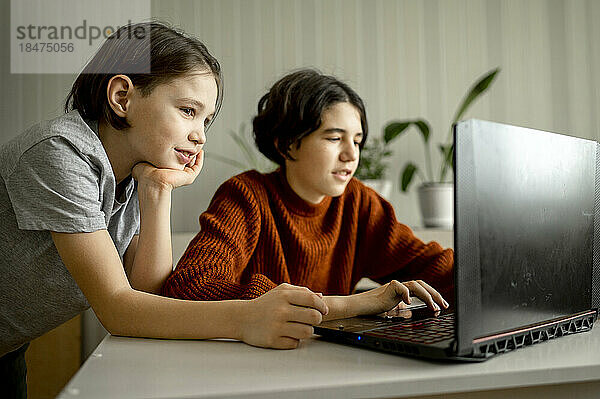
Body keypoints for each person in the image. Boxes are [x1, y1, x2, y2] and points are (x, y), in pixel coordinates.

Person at [0, 23, 329, 397]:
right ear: (122, 97)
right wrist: (245, 318)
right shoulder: (60, 153)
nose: (201, 135)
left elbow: (149, 294)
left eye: (206, 120)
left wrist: (157, 190)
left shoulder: (130, 172)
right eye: (188, 110)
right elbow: (119, 311)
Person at [162, 69, 454, 323]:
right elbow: (191, 286)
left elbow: (431, 266)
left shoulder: (358, 202)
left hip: (332, 360)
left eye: (357, 140)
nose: (352, 155)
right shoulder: (246, 196)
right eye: (334, 138)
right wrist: (350, 304)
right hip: (254, 361)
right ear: (287, 144)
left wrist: (490, 273)